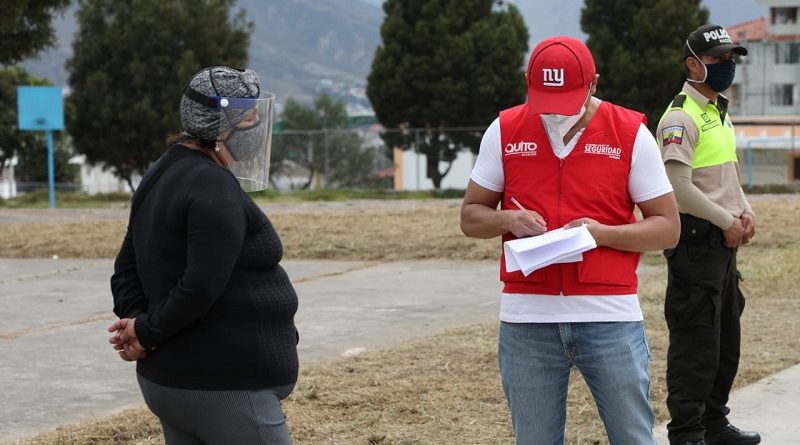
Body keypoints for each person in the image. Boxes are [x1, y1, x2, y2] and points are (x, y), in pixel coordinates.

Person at [460, 35, 680, 444]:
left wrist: (600, 234)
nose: (555, 115)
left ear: (594, 84)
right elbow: (471, 217)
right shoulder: (505, 129)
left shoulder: (630, 132)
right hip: (527, 322)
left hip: (610, 317)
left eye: (568, 101)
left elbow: (667, 227)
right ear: (529, 82)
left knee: (633, 436)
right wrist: (509, 218)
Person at [107, 66, 298, 445]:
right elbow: (201, 285)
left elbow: (126, 265)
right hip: (226, 389)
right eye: (250, 119)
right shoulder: (214, 187)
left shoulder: (164, 169)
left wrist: (141, 327)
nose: (257, 130)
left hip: (172, 382)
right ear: (222, 126)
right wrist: (143, 331)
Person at [657, 24, 760, 445]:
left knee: (724, 342)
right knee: (695, 345)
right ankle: (687, 432)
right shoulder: (680, 116)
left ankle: (715, 424)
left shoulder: (719, 111)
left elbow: (726, 176)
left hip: (723, 241)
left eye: (730, 59)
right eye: (718, 59)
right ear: (692, 64)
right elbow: (678, 187)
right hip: (697, 242)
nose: (726, 66)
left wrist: (746, 211)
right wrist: (725, 220)